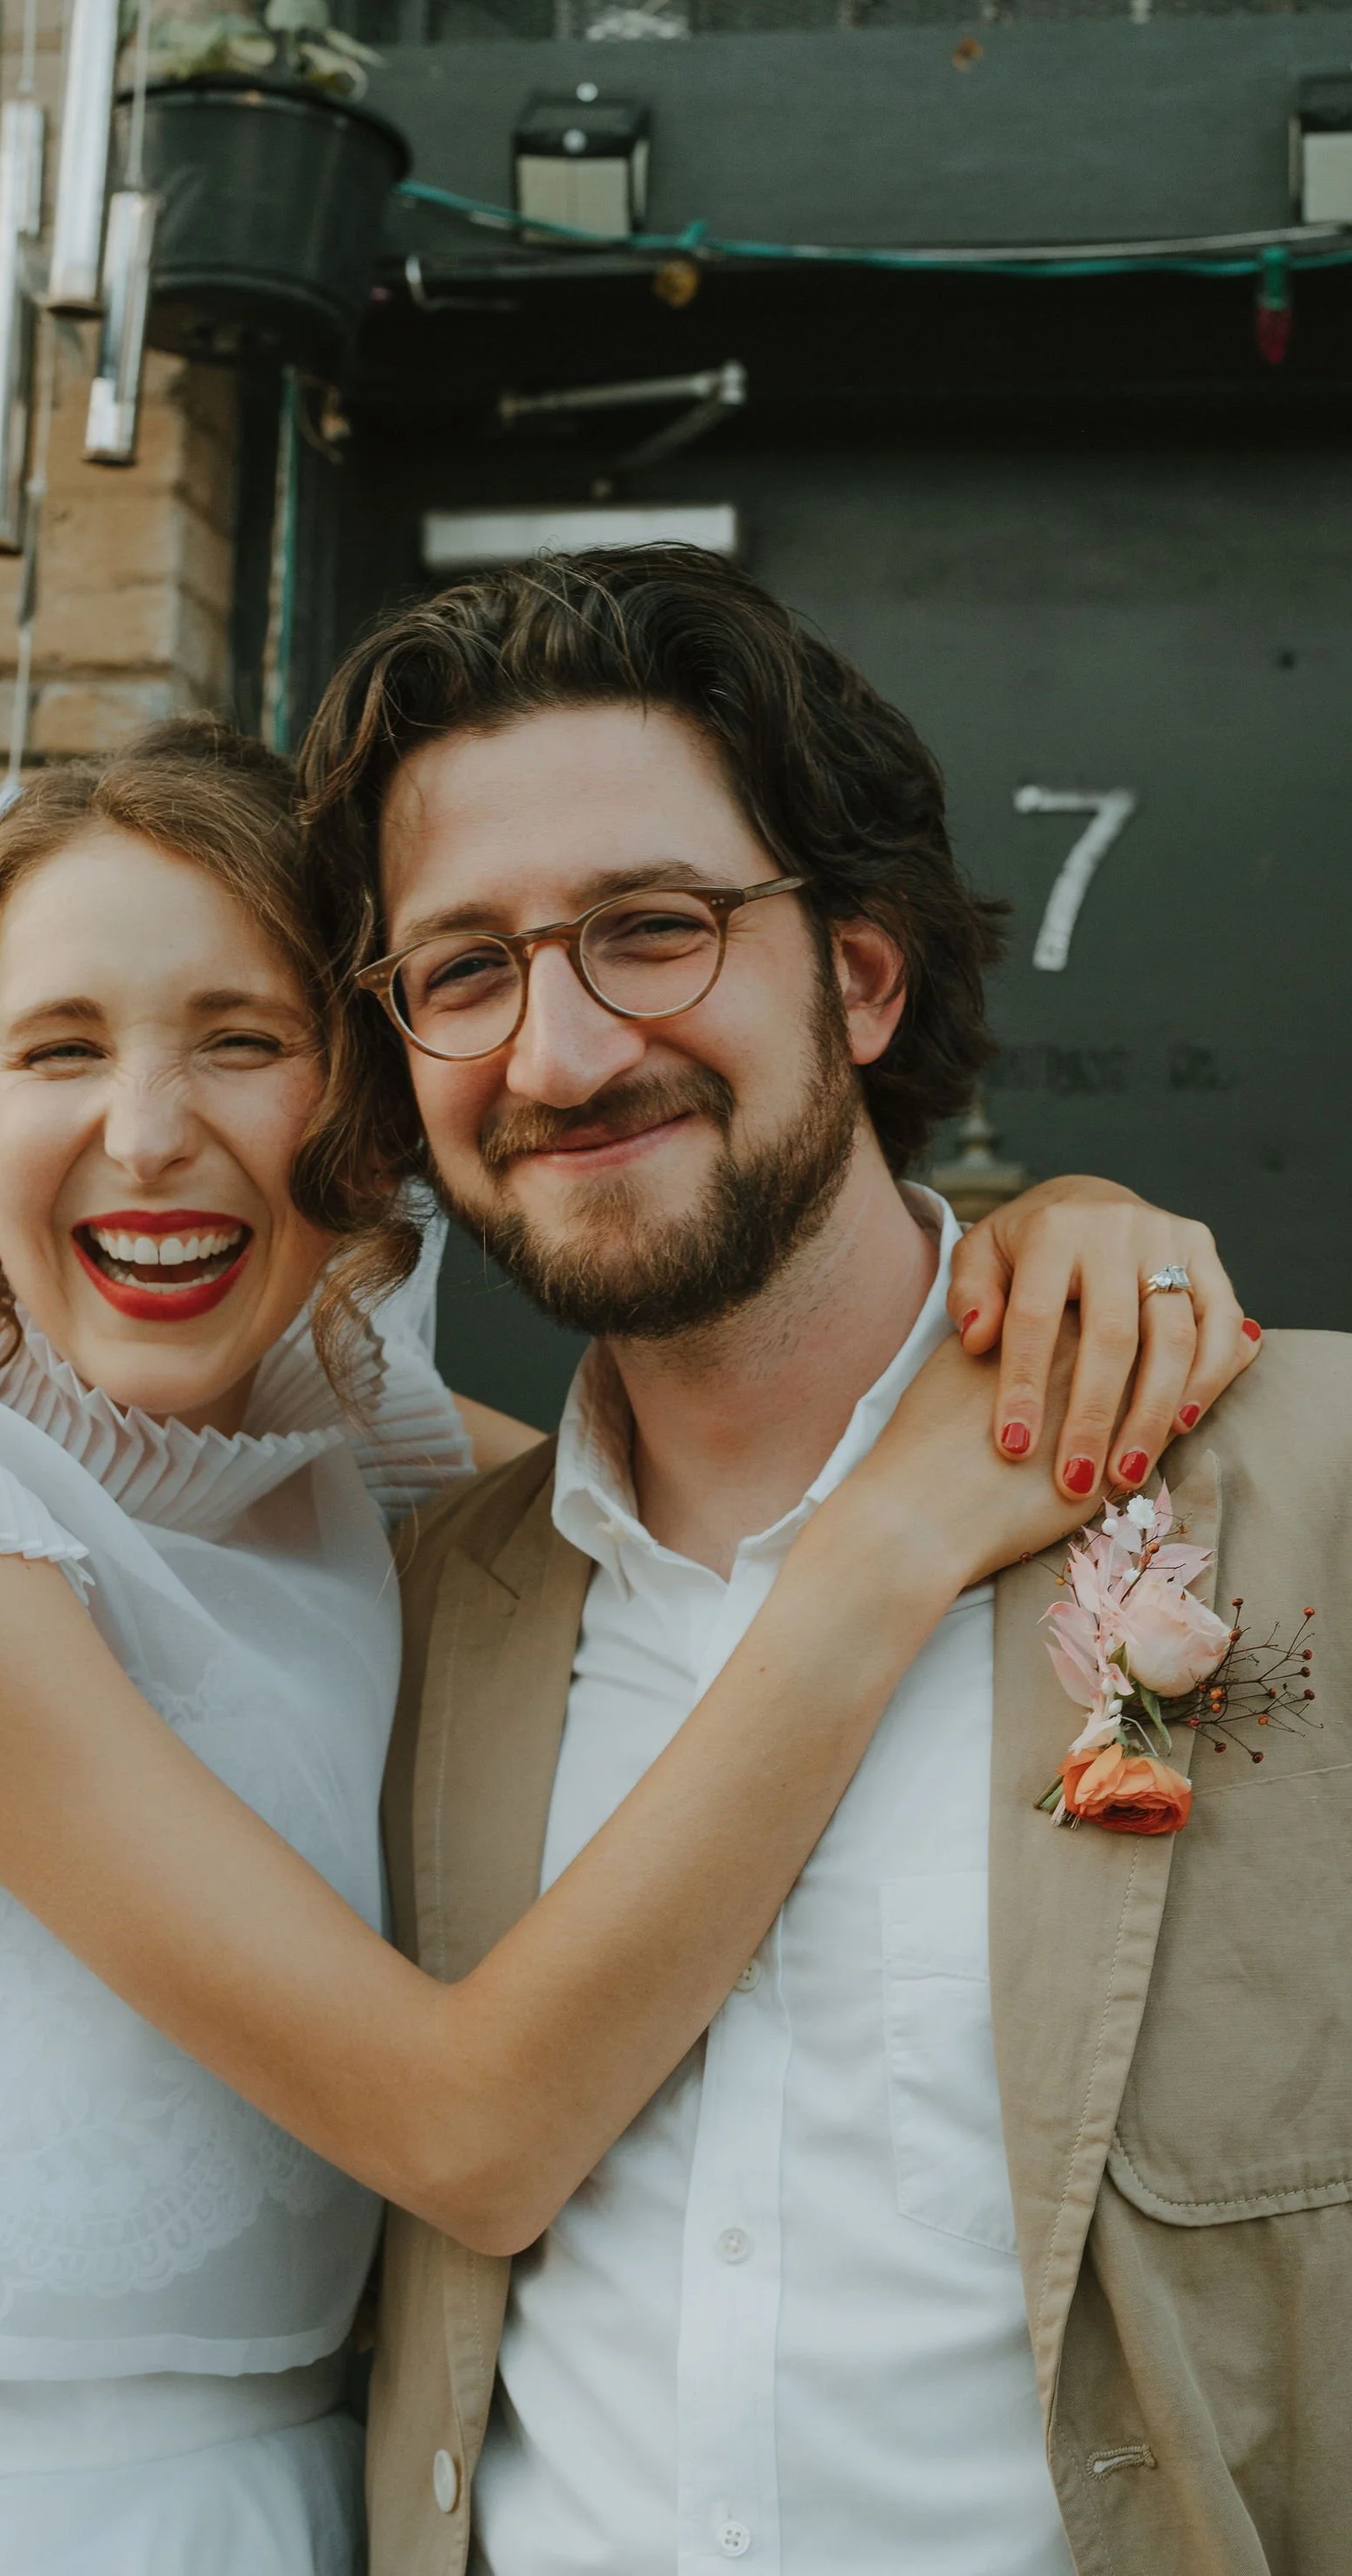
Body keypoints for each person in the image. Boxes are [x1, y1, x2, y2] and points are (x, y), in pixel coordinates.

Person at [0, 658, 1252, 2573]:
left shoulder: (369, 1468)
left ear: (371, 1111)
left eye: (240, 1039)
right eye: (56, 1049)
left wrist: (1063, 1222)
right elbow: (466, 2135)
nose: (146, 1131)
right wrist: (883, 1556)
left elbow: (719, 1458)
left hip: (318, 2507)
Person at [281, 546, 1350, 2576]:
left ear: (860, 974)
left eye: (652, 931)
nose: (562, 1054)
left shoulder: (1302, 1483)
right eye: (464, 971)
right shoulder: (411, 1619)